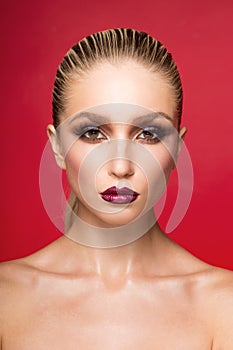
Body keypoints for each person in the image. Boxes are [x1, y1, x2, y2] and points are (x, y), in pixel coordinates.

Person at [0, 28, 233, 349]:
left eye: (149, 134)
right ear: (57, 147)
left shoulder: (224, 306)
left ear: (178, 148)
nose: (121, 166)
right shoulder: (6, 300)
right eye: (93, 133)